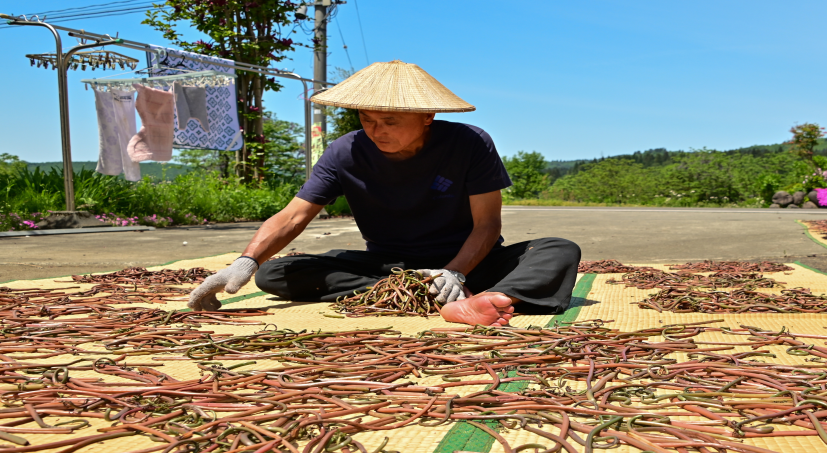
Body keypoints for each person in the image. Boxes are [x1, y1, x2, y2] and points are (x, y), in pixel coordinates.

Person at [186, 61, 580, 326]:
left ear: (428, 117)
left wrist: (455, 271)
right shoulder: (344, 151)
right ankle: (422, 295)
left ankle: (479, 294)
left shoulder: (469, 143)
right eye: (368, 119)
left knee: (557, 250)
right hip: (388, 267)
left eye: (391, 121)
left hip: (469, 263)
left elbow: (488, 225)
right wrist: (245, 262)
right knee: (276, 272)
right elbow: (294, 216)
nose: (377, 130)